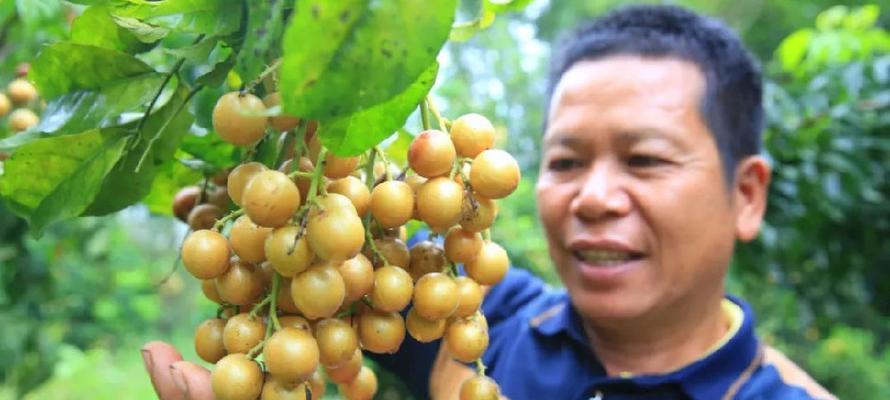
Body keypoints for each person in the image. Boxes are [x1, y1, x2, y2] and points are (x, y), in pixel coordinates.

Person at [142, 4, 836, 400]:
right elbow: (332, 241)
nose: (593, 197)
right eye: (565, 160)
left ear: (746, 196)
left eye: (645, 159)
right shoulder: (479, 310)